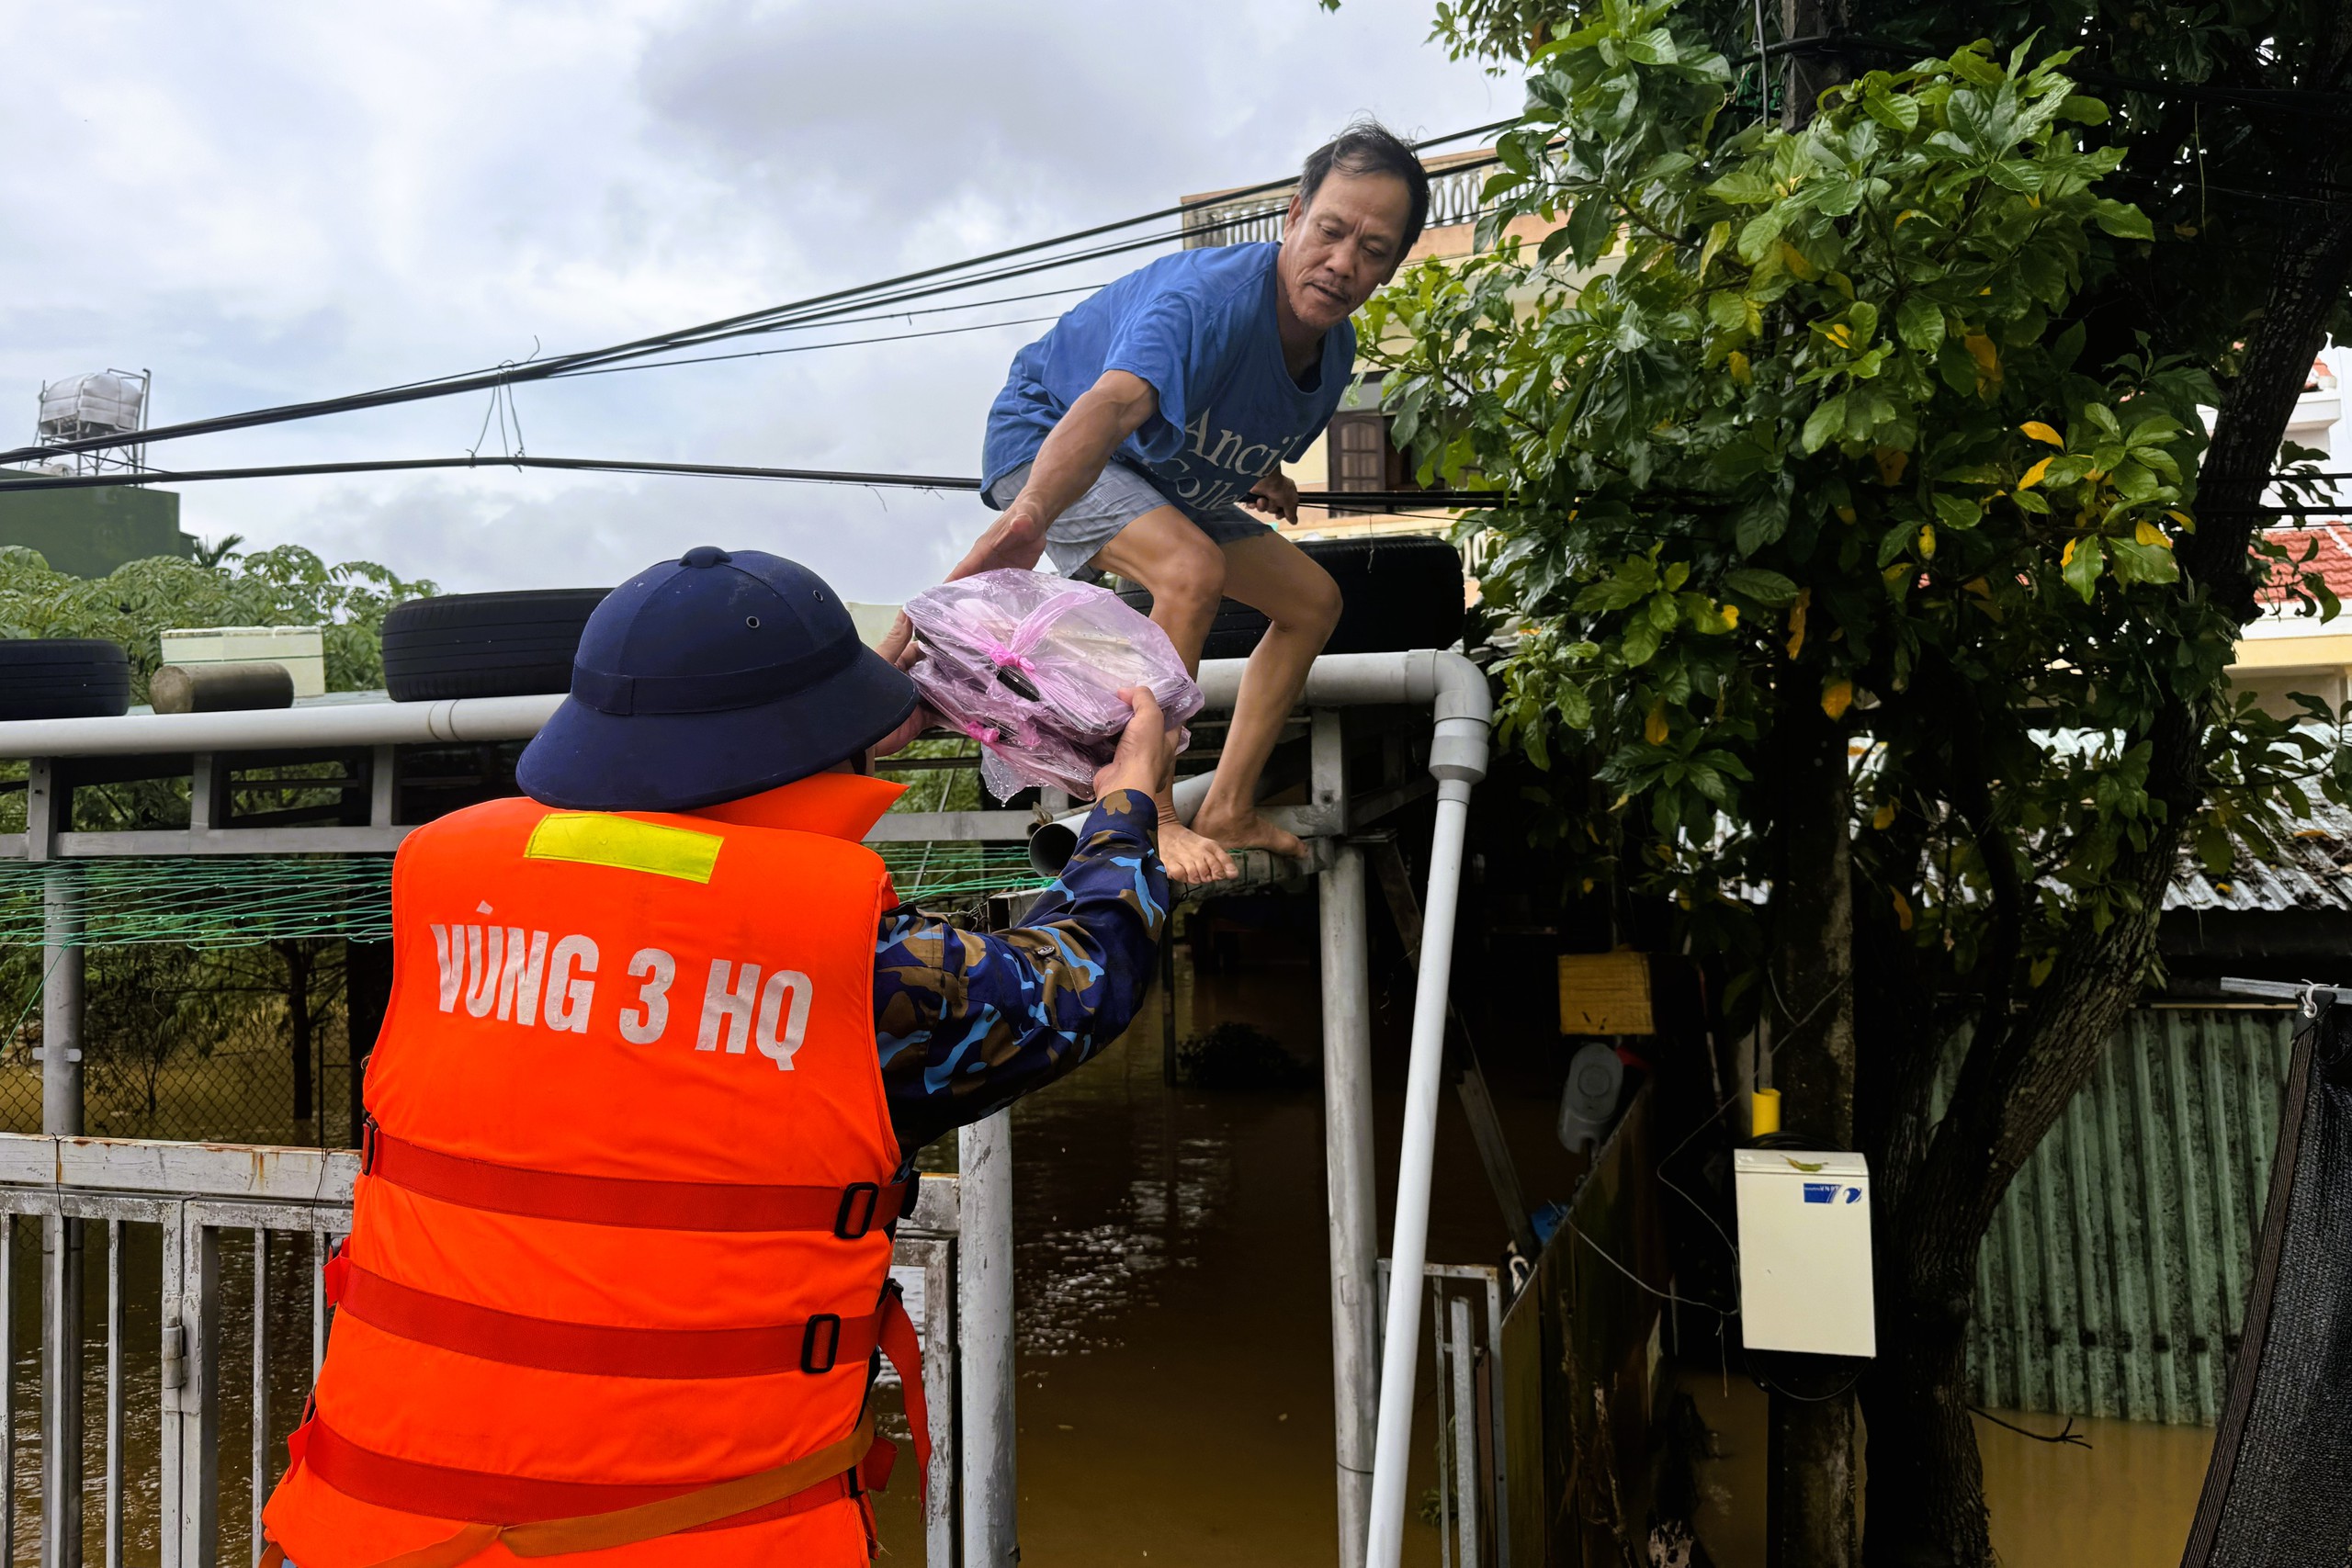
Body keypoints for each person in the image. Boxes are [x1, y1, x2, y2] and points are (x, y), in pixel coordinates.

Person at [261, 546, 1171, 1568]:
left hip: (369, 1530)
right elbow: (1077, 983)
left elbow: (657, 909)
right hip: (684, 1540)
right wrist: (1127, 808)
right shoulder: (840, 959)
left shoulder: (447, 877)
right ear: (820, 741)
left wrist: (826, 720)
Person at [969, 118, 1430, 884]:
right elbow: (1113, 405)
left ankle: (1226, 804)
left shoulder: (1336, 349)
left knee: (1314, 601)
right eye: (1330, 231)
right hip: (1049, 437)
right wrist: (1031, 518)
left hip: (1164, 474)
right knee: (1190, 570)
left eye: (1372, 251)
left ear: (1391, 267)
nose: (1342, 262)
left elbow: (1235, 419)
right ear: (1293, 215)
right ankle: (1149, 815)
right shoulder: (1208, 301)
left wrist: (1268, 476)